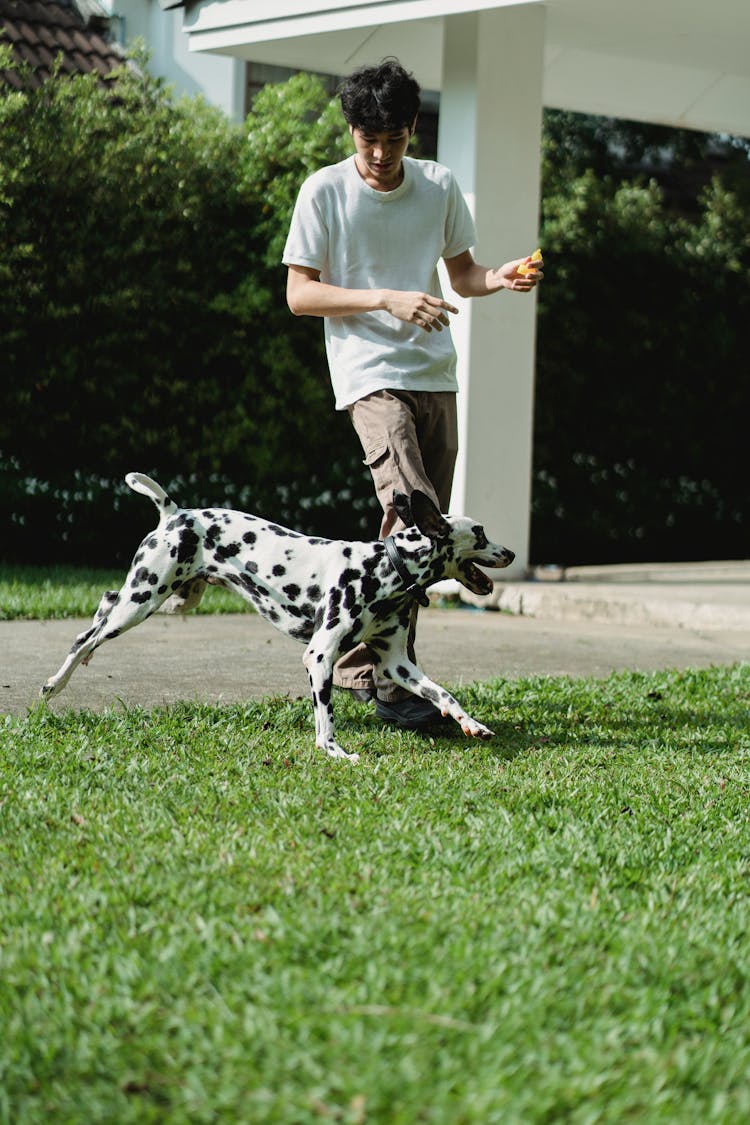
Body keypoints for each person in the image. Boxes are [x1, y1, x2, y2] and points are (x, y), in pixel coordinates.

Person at [283, 57, 542, 730]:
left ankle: (356, 659)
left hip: (436, 376)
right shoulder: (324, 191)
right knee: (420, 514)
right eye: (367, 138)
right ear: (350, 129)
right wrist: (386, 298)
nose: (379, 152)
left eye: (392, 138)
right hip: (369, 376)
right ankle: (393, 686)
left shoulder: (438, 186)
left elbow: (463, 276)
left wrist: (502, 276)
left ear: (412, 128)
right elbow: (299, 294)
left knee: (410, 534)